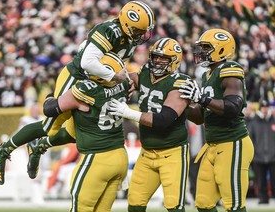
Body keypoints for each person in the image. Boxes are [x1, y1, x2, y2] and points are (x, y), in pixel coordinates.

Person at [0, 0, 155, 185]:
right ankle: (3, 150)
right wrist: (115, 77)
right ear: (126, 23)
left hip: (96, 82)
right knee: (49, 126)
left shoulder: (127, 38)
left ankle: (39, 145)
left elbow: (111, 62)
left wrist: (123, 80)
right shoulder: (108, 30)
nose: (142, 35)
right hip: (77, 76)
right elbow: (87, 62)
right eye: (139, 30)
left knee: (75, 132)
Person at [108, 37, 191, 211]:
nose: (158, 61)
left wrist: (127, 113)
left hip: (172, 153)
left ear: (174, 61)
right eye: (156, 56)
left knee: (174, 205)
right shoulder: (145, 72)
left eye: (164, 58)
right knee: (135, 202)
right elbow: (128, 78)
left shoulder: (180, 82)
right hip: (147, 153)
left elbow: (163, 120)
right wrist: (120, 82)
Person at [178, 28, 254, 212]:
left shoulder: (230, 69)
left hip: (232, 143)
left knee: (233, 205)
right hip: (212, 146)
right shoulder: (207, 75)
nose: (201, 52)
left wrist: (202, 99)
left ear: (221, 49)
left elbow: (233, 108)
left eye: (206, 48)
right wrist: (182, 105)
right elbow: (200, 117)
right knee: (203, 203)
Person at [43, 52, 129, 212]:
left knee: (79, 209)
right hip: (120, 156)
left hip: (97, 159)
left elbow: (50, 109)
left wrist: (51, 96)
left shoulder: (86, 90)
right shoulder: (123, 85)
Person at [249, 100, 275, 204]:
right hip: (258, 156)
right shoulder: (254, 122)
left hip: (273, 156)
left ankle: (272, 196)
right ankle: (262, 197)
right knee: (260, 180)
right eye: (263, 107)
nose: (265, 109)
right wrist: (254, 153)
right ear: (260, 109)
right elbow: (251, 139)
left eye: (266, 107)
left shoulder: (273, 121)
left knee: (274, 180)